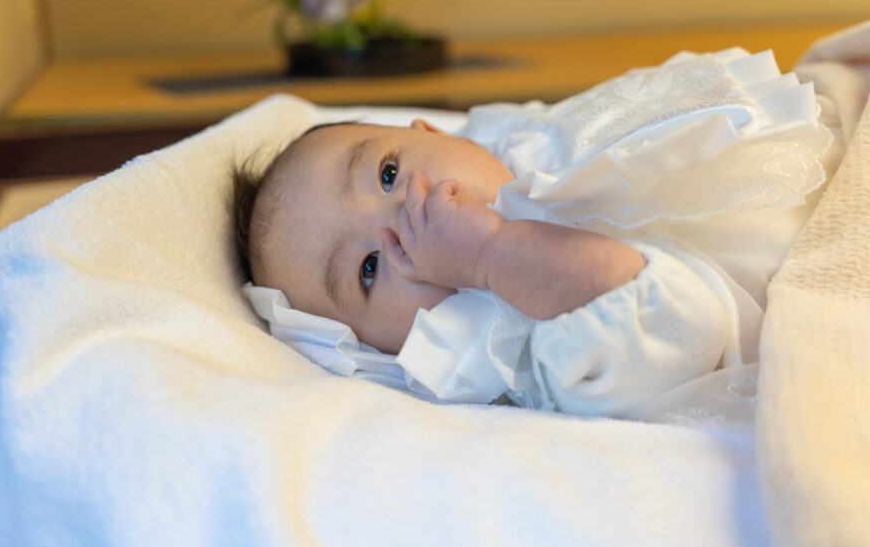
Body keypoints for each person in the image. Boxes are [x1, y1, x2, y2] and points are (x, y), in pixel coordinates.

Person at [235, 47, 842, 419]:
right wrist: (489, 255)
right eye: (368, 268)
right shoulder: (509, 335)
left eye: (388, 173)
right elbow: (679, 320)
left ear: (434, 133)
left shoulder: (511, 139)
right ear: (383, 348)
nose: (400, 223)